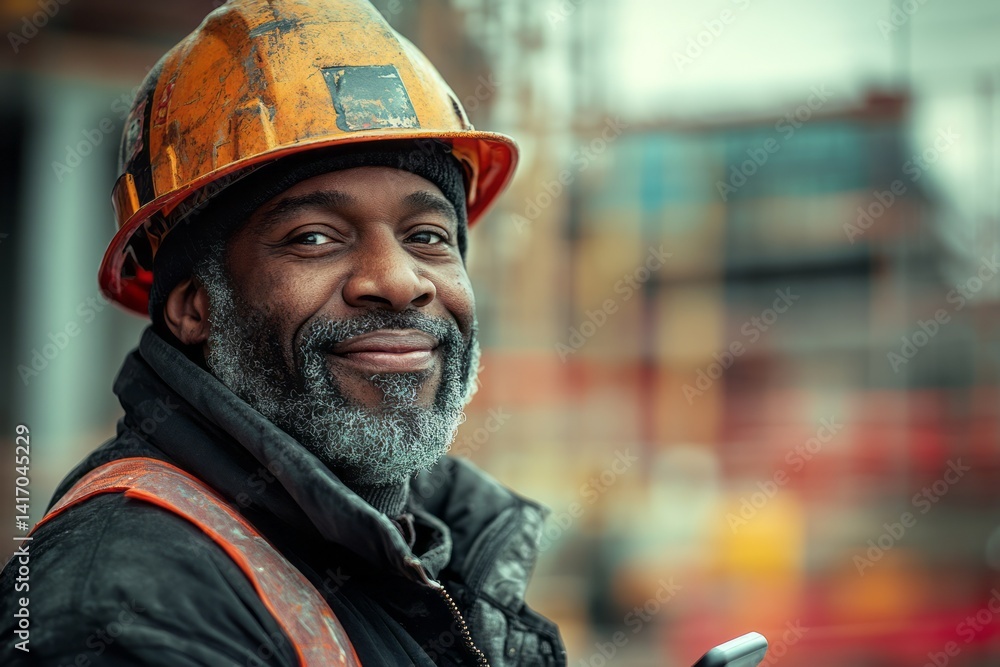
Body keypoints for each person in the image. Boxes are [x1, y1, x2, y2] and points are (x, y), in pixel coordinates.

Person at [0, 0, 566, 665]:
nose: (398, 279)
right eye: (315, 237)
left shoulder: (434, 553)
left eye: (428, 236)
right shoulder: (127, 605)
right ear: (193, 307)